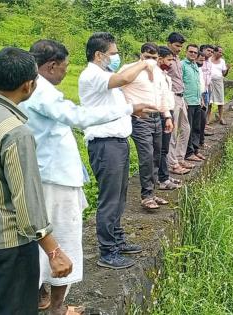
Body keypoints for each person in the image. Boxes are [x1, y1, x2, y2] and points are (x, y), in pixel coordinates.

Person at [19, 39, 153, 314]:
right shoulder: (42, 91)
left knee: (41, 236)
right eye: (64, 66)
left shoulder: (30, 88)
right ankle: (58, 306)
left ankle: (41, 296)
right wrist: (129, 108)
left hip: (48, 171)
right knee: (64, 238)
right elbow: (78, 117)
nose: (66, 72)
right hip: (55, 177)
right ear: (51, 65)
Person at [0, 47, 72, 315]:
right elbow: (26, 200)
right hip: (8, 245)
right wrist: (53, 252)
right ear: (29, 85)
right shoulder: (15, 132)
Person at [78, 32, 156, 269]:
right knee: (110, 199)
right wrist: (144, 62)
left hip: (118, 142)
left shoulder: (105, 74)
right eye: (113, 53)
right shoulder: (91, 75)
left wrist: (133, 109)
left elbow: (112, 106)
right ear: (99, 54)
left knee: (119, 196)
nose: (116, 57)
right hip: (105, 144)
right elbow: (123, 80)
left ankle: (117, 240)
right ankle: (107, 251)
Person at [120, 43, 174, 210]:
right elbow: (116, 88)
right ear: (141, 55)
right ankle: (146, 196)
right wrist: (128, 109)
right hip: (140, 119)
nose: (150, 61)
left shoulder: (159, 73)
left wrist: (167, 116)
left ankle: (152, 192)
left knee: (156, 155)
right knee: (147, 156)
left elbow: (163, 95)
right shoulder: (130, 69)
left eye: (153, 58)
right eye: (147, 57)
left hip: (156, 117)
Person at [166, 32, 193, 175]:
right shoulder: (165, 59)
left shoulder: (177, 58)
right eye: (177, 46)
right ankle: (172, 163)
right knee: (173, 131)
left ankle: (179, 157)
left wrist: (184, 99)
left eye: (181, 46)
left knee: (185, 128)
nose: (179, 49)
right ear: (169, 43)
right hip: (171, 97)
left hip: (181, 97)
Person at [157, 46, 184, 189]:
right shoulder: (155, 76)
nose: (170, 63)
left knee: (164, 147)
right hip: (162, 114)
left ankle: (165, 176)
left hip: (168, 112)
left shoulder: (165, 75)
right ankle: (163, 179)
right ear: (160, 59)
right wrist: (166, 115)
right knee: (161, 148)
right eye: (168, 60)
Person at [182, 44, 205, 162]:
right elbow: (179, 83)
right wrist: (183, 99)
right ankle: (188, 152)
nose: (193, 54)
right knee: (188, 128)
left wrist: (201, 98)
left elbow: (197, 83)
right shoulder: (182, 65)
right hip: (188, 102)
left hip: (196, 101)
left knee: (197, 127)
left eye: (195, 53)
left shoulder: (195, 65)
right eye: (190, 52)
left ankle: (195, 150)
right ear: (186, 52)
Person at [208, 46, 231, 125]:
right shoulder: (208, 59)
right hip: (209, 82)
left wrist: (227, 69)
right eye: (219, 52)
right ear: (214, 52)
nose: (221, 54)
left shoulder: (222, 61)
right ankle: (207, 119)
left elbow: (224, 74)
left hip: (218, 82)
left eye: (222, 52)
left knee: (220, 101)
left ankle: (221, 118)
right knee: (209, 102)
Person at [199, 44, 214, 139]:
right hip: (201, 90)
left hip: (207, 88)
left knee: (206, 108)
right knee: (202, 111)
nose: (210, 53)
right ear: (202, 50)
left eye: (212, 52)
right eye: (208, 50)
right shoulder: (200, 62)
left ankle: (203, 127)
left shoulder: (209, 63)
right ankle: (201, 130)